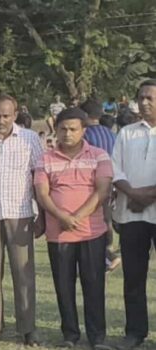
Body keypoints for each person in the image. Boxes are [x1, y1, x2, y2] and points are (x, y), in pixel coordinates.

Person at [33, 108, 114, 350]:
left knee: (94, 284)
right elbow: (42, 194)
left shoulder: (99, 156)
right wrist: (62, 217)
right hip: (59, 234)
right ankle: (69, 334)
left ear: (83, 131)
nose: (67, 134)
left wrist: (76, 217)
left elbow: (102, 191)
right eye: (63, 129)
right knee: (63, 286)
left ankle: (97, 337)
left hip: (91, 231)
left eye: (73, 129)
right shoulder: (45, 158)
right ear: (56, 130)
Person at [0, 95, 45, 347]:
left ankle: (28, 329)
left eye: (6, 115)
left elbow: (38, 179)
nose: (1, 120)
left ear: (15, 115)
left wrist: (41, 214)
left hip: (20, 214)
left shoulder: (30, 139)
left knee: (24, 274)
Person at [111, 79, 156, 350]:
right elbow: (114, 169)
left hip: (145, 206)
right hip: (131, 214)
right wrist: (134, 195)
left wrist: (147, 197)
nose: (144, 102)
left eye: (150, 98)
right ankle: (135, 332)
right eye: (141, 98)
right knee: (134, 276)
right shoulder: (127, 133)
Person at [80, 99, 121, 271]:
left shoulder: (84, 136)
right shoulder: (111, 134)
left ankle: (105, 256)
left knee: (91, 222)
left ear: (85, 115)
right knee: (106, 219)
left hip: (91, 185)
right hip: (112, 183)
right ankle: (108, 252)